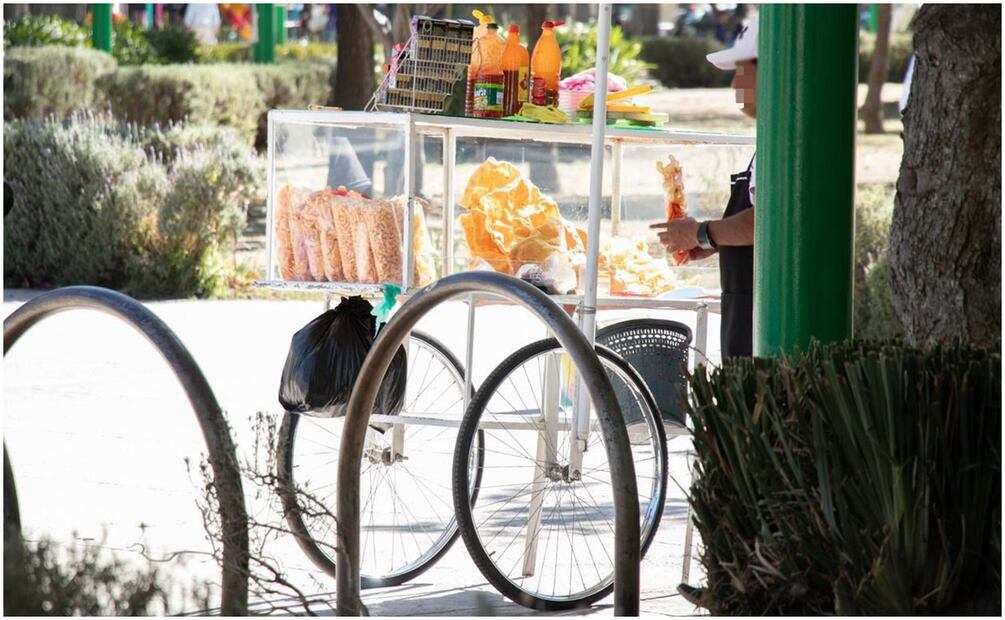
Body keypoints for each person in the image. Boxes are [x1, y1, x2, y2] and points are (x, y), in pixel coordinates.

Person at [651, 19, 758, 359]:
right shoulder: (772, 139)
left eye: (740, 71)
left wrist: (701, 233)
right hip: (744, 309)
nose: (733, 84)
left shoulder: (787, 143)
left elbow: (766, 222)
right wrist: (709, 240)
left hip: (760, 317)